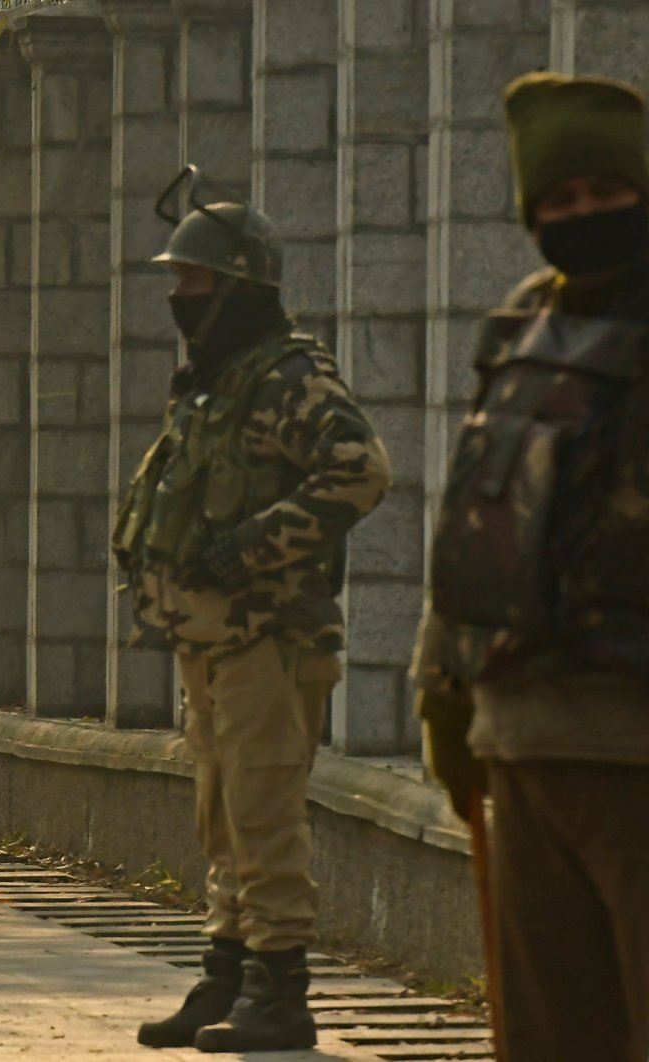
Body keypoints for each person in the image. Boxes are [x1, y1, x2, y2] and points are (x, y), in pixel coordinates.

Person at [113, 179, 393, 1053]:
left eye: (196, 284)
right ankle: (226, 977)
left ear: (241, 288)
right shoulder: (218, 380)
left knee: (265, 814)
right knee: (222, 815)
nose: (181, 299)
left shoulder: (290, 377)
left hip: (272, 638)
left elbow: (361, 470)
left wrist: (249, 548)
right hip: (211, 638)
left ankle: (281, 995)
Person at [413, 72, 649, 1062]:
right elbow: (475, 509)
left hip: (632, 748)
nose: (581, 216)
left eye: (604, 194)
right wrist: (442, 692)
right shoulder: (523, 327)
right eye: (559, 202)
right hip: (520, 734)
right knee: (552, 1033)